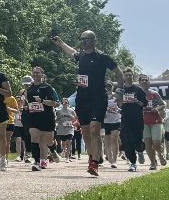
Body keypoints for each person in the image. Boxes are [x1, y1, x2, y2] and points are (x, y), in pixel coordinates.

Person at [51, 30, 123, 176]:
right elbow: (71, 52)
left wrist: (119, 92)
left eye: (86, 39)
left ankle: (94, 163)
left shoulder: (102, 57)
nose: (83, 42)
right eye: (81, 39)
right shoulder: (81, 56)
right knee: (85, 132)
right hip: (82, 99)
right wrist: (60, 43)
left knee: (95, 129)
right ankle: (94, 155)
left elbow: (119, 73)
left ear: (93, 40)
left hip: (98, 99)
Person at [23, 66, 60, 170]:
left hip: (47, 117)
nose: (35, 75)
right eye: (34, 73)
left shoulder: (48, 88)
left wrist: (42, 101)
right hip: (33, 117)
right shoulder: (29, 89)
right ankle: (36, 162)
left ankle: (53, 150)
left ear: (42, 75)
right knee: (34, 137)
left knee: (48, 141)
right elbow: (26, 103)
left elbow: (56, 103)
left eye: (38, 73)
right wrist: (26, 106)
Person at [116, 69, 148, 171]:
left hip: (137, 119)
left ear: (132, 76)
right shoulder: (121, 90)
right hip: (125, 118)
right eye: (126, 75)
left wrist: (136, 101)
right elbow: (118, 104)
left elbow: (144, 104)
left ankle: (140, 150)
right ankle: (133, 163)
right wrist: (120, 102)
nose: (128, 77)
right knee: (127, 141)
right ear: (124, 77)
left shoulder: (138, 90)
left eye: (130, 75)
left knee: (137, 141)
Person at [140, 73, 168, 170]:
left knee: (156, 143)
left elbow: (163, 105)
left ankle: (160, 155)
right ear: (139, 82)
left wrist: (157, 109)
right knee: (147, 144)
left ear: (149, 82)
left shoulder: (154, 94)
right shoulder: (137, 94)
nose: (144, 81)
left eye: (146, 80)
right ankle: (153, 163)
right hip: (143, 122)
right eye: (142, 80)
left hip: (156, 121)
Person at [103, 86, 123, 166]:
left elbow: (122, 106)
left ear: (112, 87)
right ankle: (110, 157)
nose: (108, 88)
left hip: (116, 120)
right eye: (107, 86)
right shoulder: (103, 96)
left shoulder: (116, 96)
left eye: (109, 86)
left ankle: (114, 161)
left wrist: (119, 109)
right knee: (107, 141)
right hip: (106, 121)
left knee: (114, 139)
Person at [54, 95, 76, 162]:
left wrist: (72, 118)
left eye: (66, 102)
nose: (65, 103)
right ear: (62, 103)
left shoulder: (71, 110)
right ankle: (64, 150)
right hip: (62, 129)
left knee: (69, 142)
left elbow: (75, 119)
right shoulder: (59, 111)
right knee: (63, 143)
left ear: (68, 103)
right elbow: (56, 120)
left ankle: (67, 157)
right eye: (63, 102)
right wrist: (59, 119)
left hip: (69, 128)